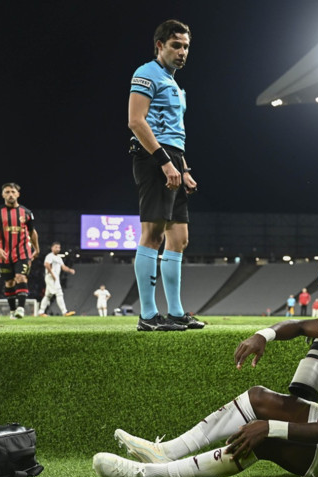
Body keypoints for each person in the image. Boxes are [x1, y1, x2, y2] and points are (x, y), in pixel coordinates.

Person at [92, 279, 318, 477]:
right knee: (259, 397)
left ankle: (151, 475)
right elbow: (299, 327)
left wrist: (269, 427)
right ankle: (165, 451)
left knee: (263, 439)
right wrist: (264, 335)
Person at [129, 19, 202, 332]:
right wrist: (164, 162)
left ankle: (175, 311)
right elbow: (136, 121)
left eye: (185, 46)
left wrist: (182, 168)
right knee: (153, 234)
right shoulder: (147, 73)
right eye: (176, 45)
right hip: (152, 157)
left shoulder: (175, 85)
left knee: (179, 238)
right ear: (159, 46)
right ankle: (148, 315)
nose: (182, 51)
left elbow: (176, 133)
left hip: (173, 159)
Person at [0, 183, 40, 319]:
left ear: (18, 194)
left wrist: (37, 248)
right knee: (9, 282)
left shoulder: (26, 213)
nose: (10, 194)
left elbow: (32, 232)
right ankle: (12, 311)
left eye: (12, 192)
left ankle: (21, 309)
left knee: (21, 277)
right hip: (5, 253)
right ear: (2, 195)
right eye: (7, 192)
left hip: (23, 252)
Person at [39, 242, 76, 317]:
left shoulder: (58, 258)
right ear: (52, 248)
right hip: (51, 276)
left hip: (55, 277)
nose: (58, 249)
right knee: (59, 293)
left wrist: (70, 270)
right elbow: (46, 264)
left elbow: (63, 267)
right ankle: (64, 312)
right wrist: (52, 274)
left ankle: (41, 312)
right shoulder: (50, 256)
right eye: (56, 247)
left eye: (59, 247)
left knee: (48, 295)